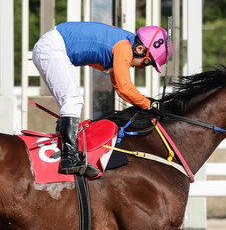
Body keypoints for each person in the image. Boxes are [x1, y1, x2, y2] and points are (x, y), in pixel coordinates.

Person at [32, 22, 172, 176]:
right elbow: (124, 87)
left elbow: (120, 89)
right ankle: (69, 158)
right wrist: (150, 104)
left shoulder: (122, 43)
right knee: (73, 99)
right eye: (147, 62)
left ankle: (65, 149)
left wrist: (147, 104)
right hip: (52, 48)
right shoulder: (124, 48)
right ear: (140, 49)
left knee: (70, 101)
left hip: (53, 47)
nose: (141, 67)